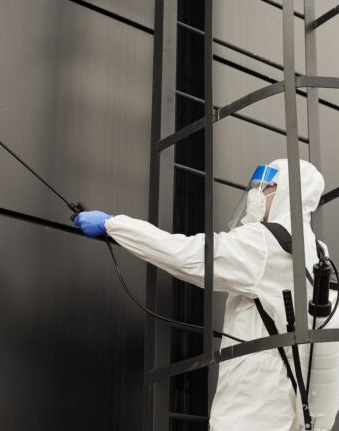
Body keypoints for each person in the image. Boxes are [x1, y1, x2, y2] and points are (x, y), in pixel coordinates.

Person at [74, 158, 325, 431]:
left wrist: (114, 225)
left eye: (265, 187)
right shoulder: (315, 251)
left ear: (286, 190)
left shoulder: (267, 242)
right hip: (284, 403)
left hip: (253, 403)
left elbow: (188, 255)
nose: (255, 194)